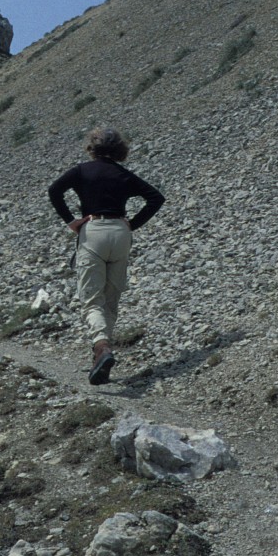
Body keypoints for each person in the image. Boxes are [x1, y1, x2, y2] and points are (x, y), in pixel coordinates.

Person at [47, 127, 164, 385]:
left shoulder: (81, 171)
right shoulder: (123, 174)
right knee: (111, 300)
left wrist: (71, 221)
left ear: (92, 147)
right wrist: (133, 223)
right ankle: (101, 356)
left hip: (93, 231)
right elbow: (156, 198)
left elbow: (54, 191)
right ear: (119, 149)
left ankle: (101, 347)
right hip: (120, 233)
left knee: (92, 299)